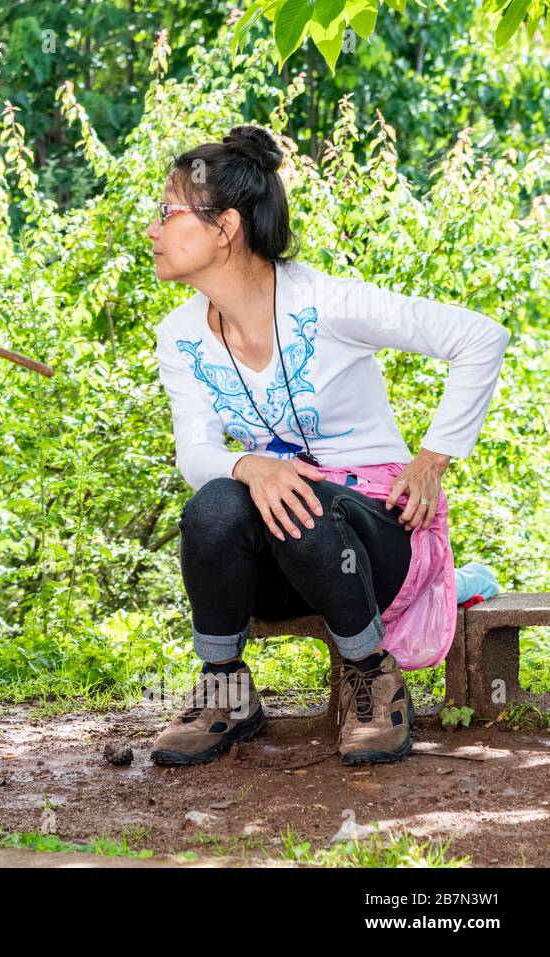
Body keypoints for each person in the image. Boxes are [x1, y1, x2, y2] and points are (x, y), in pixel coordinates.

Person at [145, 125, 509, 767]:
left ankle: (373, 675)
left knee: (304, 500)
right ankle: (225, 690)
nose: (151, 228)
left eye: (168, 211)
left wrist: (431, 462)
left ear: (225, 226)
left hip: (379, 540)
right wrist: (249, 464)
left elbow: (480, 338)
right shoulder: (179, 336)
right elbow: (194, 453)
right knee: (215, 504)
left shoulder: (330, 302)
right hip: (289, 554)